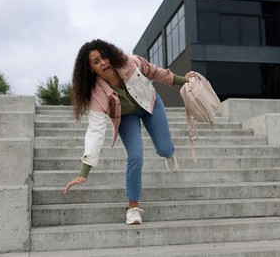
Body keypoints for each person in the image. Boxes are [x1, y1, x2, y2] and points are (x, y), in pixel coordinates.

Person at [63, 39, 190, 225]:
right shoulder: (97, 93)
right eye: (96, 61)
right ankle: (133, 208)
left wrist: (184, 81)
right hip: (126, 117)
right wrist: (85, 170)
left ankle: (169, 154)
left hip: (150, 104)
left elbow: (154, 71)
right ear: (90, 69)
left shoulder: (129, 62)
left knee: (163, 149)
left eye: (103, 57)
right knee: (135, 156)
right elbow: (96, 130)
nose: (103, 63)